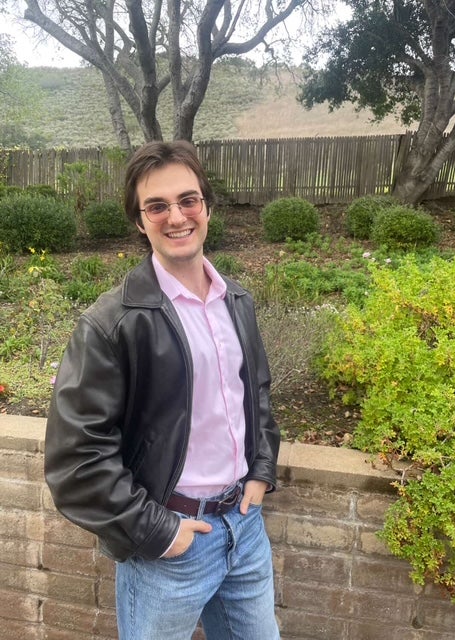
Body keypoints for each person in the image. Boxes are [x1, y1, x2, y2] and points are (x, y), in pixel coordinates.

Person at [44, 140, 281, 640]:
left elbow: (256, 392)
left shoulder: (237, 301)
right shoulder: (111, 324)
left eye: (188, 200)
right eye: (157, 206)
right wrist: (157, 531)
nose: (176, 217)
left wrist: (261, 470)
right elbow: (76, 459)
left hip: (245, 530)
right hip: (169, 547)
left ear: (207, 207)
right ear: (140, 221)